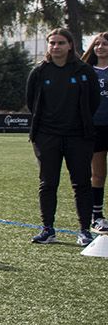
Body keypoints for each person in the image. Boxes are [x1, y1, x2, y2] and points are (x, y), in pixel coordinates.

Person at [25, 28, 98, 247]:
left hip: (79, 136)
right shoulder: (39, 72)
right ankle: (48, 229)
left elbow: (94, 101)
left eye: (60, 43)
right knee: (48, 183)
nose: (55, 47)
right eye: (52, 43)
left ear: (70, 45)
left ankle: (85, 230)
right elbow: (31, 102)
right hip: (47, 137)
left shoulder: (84, 71)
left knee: (82, 183)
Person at [86, 31, 108, 234]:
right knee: (98, 174)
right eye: (97, 44)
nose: (100, 47)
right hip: (95, 128)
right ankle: (97, 217)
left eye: (105, 44)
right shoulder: (87, 71)